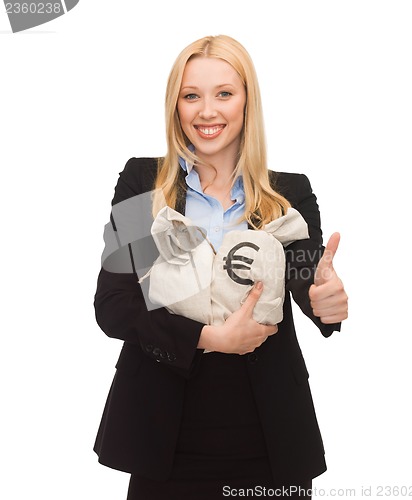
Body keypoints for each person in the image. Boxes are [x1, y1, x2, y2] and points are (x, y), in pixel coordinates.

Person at [93, 35, 349, 500]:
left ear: (247, 101)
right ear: (176, 106)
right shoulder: (143, 185)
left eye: (224, 94)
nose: (206, 111)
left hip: (270, 439)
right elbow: (114, 305)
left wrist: (323, 299)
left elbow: (307, 276)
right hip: (164, 438)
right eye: (191, 96)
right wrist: (208, 339)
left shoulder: (287, 192)